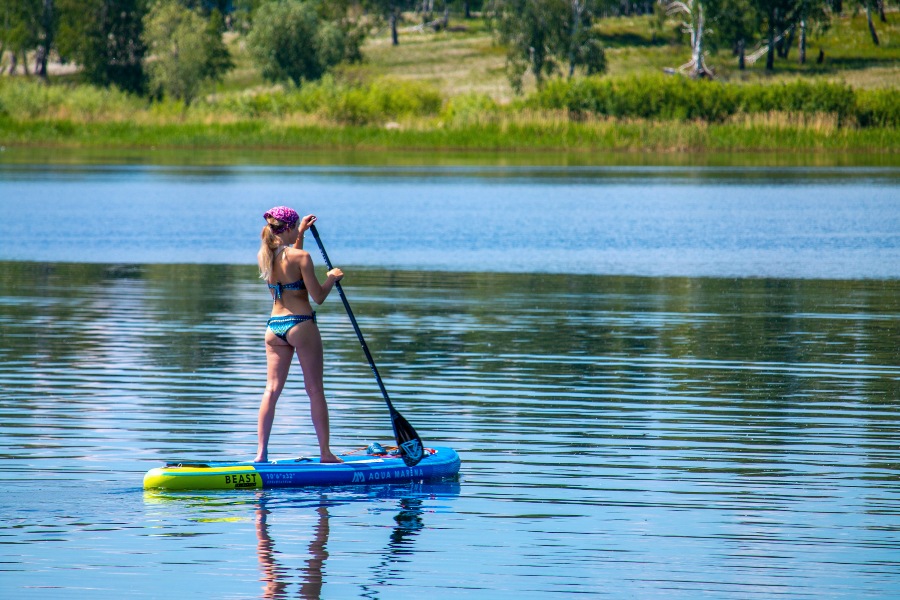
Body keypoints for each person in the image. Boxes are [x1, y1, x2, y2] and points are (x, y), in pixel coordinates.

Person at [255, 206, 344, 463]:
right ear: (290, 228)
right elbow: (318, 297)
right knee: (315, 390)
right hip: (301, 325)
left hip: (274, 328)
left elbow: (287, 267)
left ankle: (261, 454)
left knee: (271, 390)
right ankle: (325, 453)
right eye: (296, 229)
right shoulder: (302, 257)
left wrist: (301, 233)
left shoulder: (265, 256)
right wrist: (332, 278)